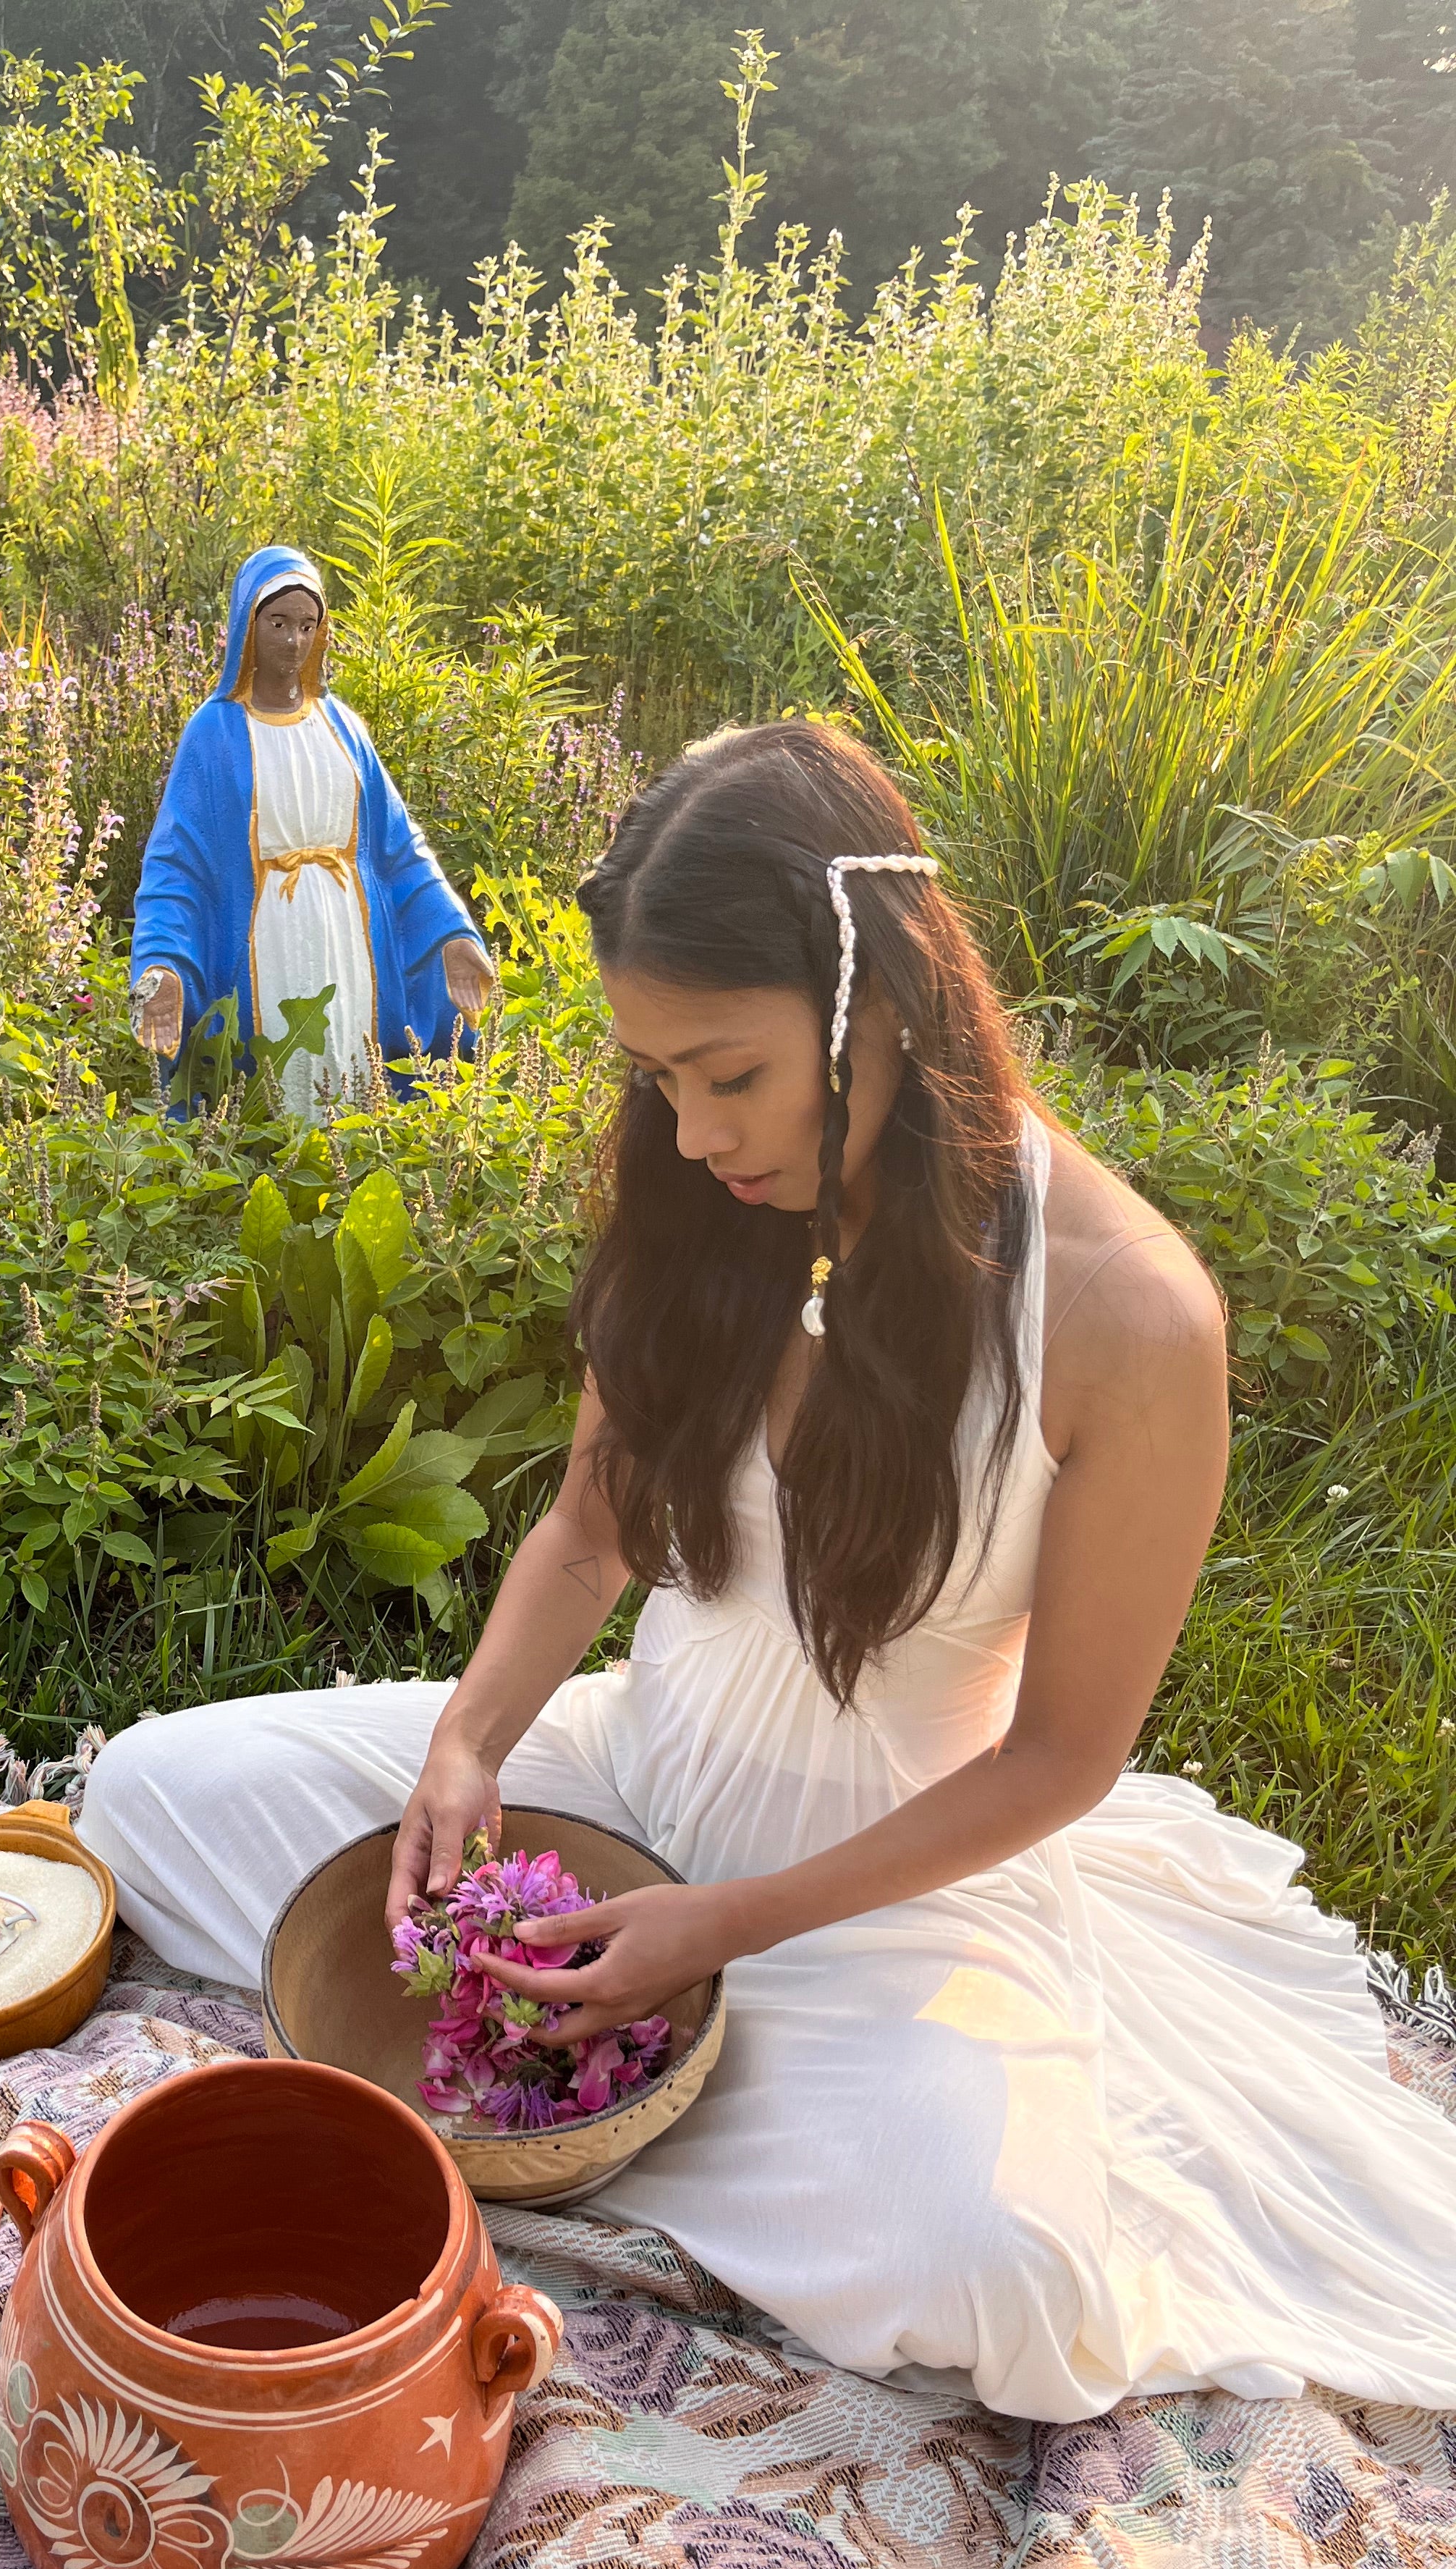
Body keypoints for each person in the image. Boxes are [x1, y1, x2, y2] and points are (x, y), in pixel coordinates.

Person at [81, 718, 1456, 2424]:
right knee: (149, 1795)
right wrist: (470, 1745)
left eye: (730, 1075)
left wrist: (724, 1928)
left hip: (890, 1898)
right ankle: (620, 2111)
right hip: (631, 1780)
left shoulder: (1129, 1316)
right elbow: (589, 1534)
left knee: (1006, 2270)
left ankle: (606, 2119)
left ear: (881, 1001)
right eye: (657, 1079)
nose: (693, 1133)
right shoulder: (703, 1208)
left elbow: (1062, 1760)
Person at [130, 544, 494, 1117]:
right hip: (264, 942)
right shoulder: (215, 733)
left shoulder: (344, 728)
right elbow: (178, 867)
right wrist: (163, 964)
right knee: (271, 1082)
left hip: (351, 942)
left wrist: (451, 932)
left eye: (307, 625)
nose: (294, 641)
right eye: (278, 624)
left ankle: (350, 1169)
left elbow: (400, 849)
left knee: (354, 1069)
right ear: (247, 626)